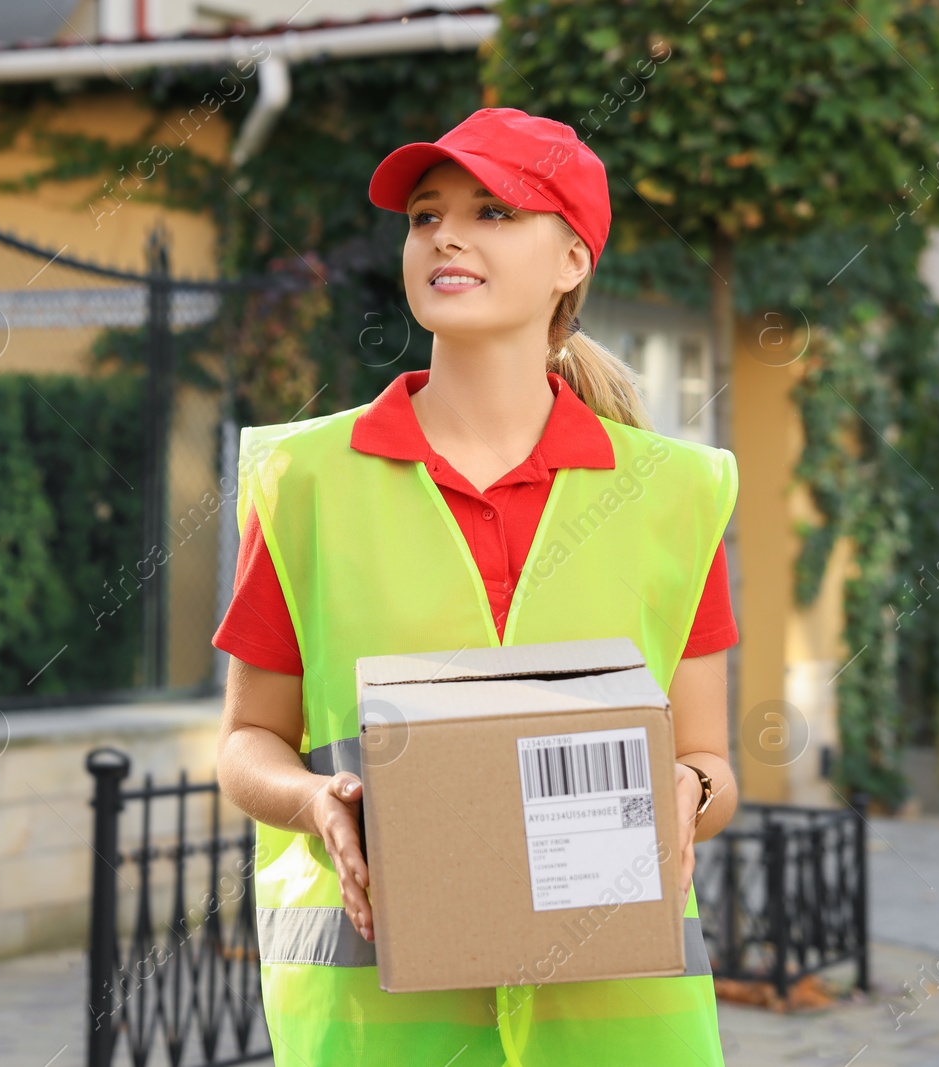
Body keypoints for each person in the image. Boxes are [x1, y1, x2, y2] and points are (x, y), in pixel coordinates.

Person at [212, 108, 739, 1066]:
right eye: (425, 216)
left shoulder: (673, 494)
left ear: (573, 259)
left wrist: (688, 789)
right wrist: (312, 801)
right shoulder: (308, 483)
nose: (445, 234)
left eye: (494, 212)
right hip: (381, 1026)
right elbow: (248, 742)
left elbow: (711, 760)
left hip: (620, 1026)